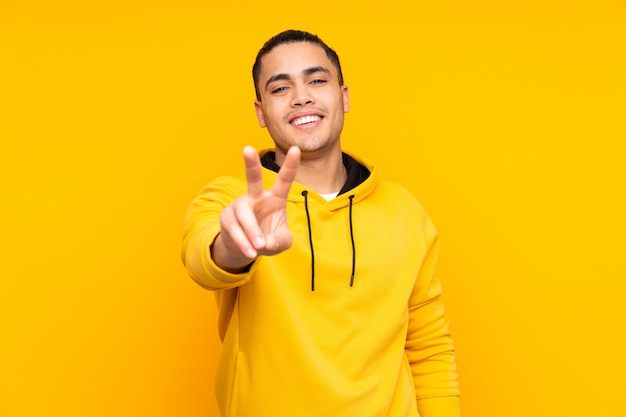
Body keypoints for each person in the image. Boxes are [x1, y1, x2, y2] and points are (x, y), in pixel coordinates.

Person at [181, 29, 460, 417]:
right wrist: (236, 244)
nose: (301, 97)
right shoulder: (233, 199)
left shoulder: (404, 211)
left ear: (343, 97)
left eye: (316, 80)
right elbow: (203, 260)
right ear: (261, 112)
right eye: (280, 89)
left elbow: (429, 346)